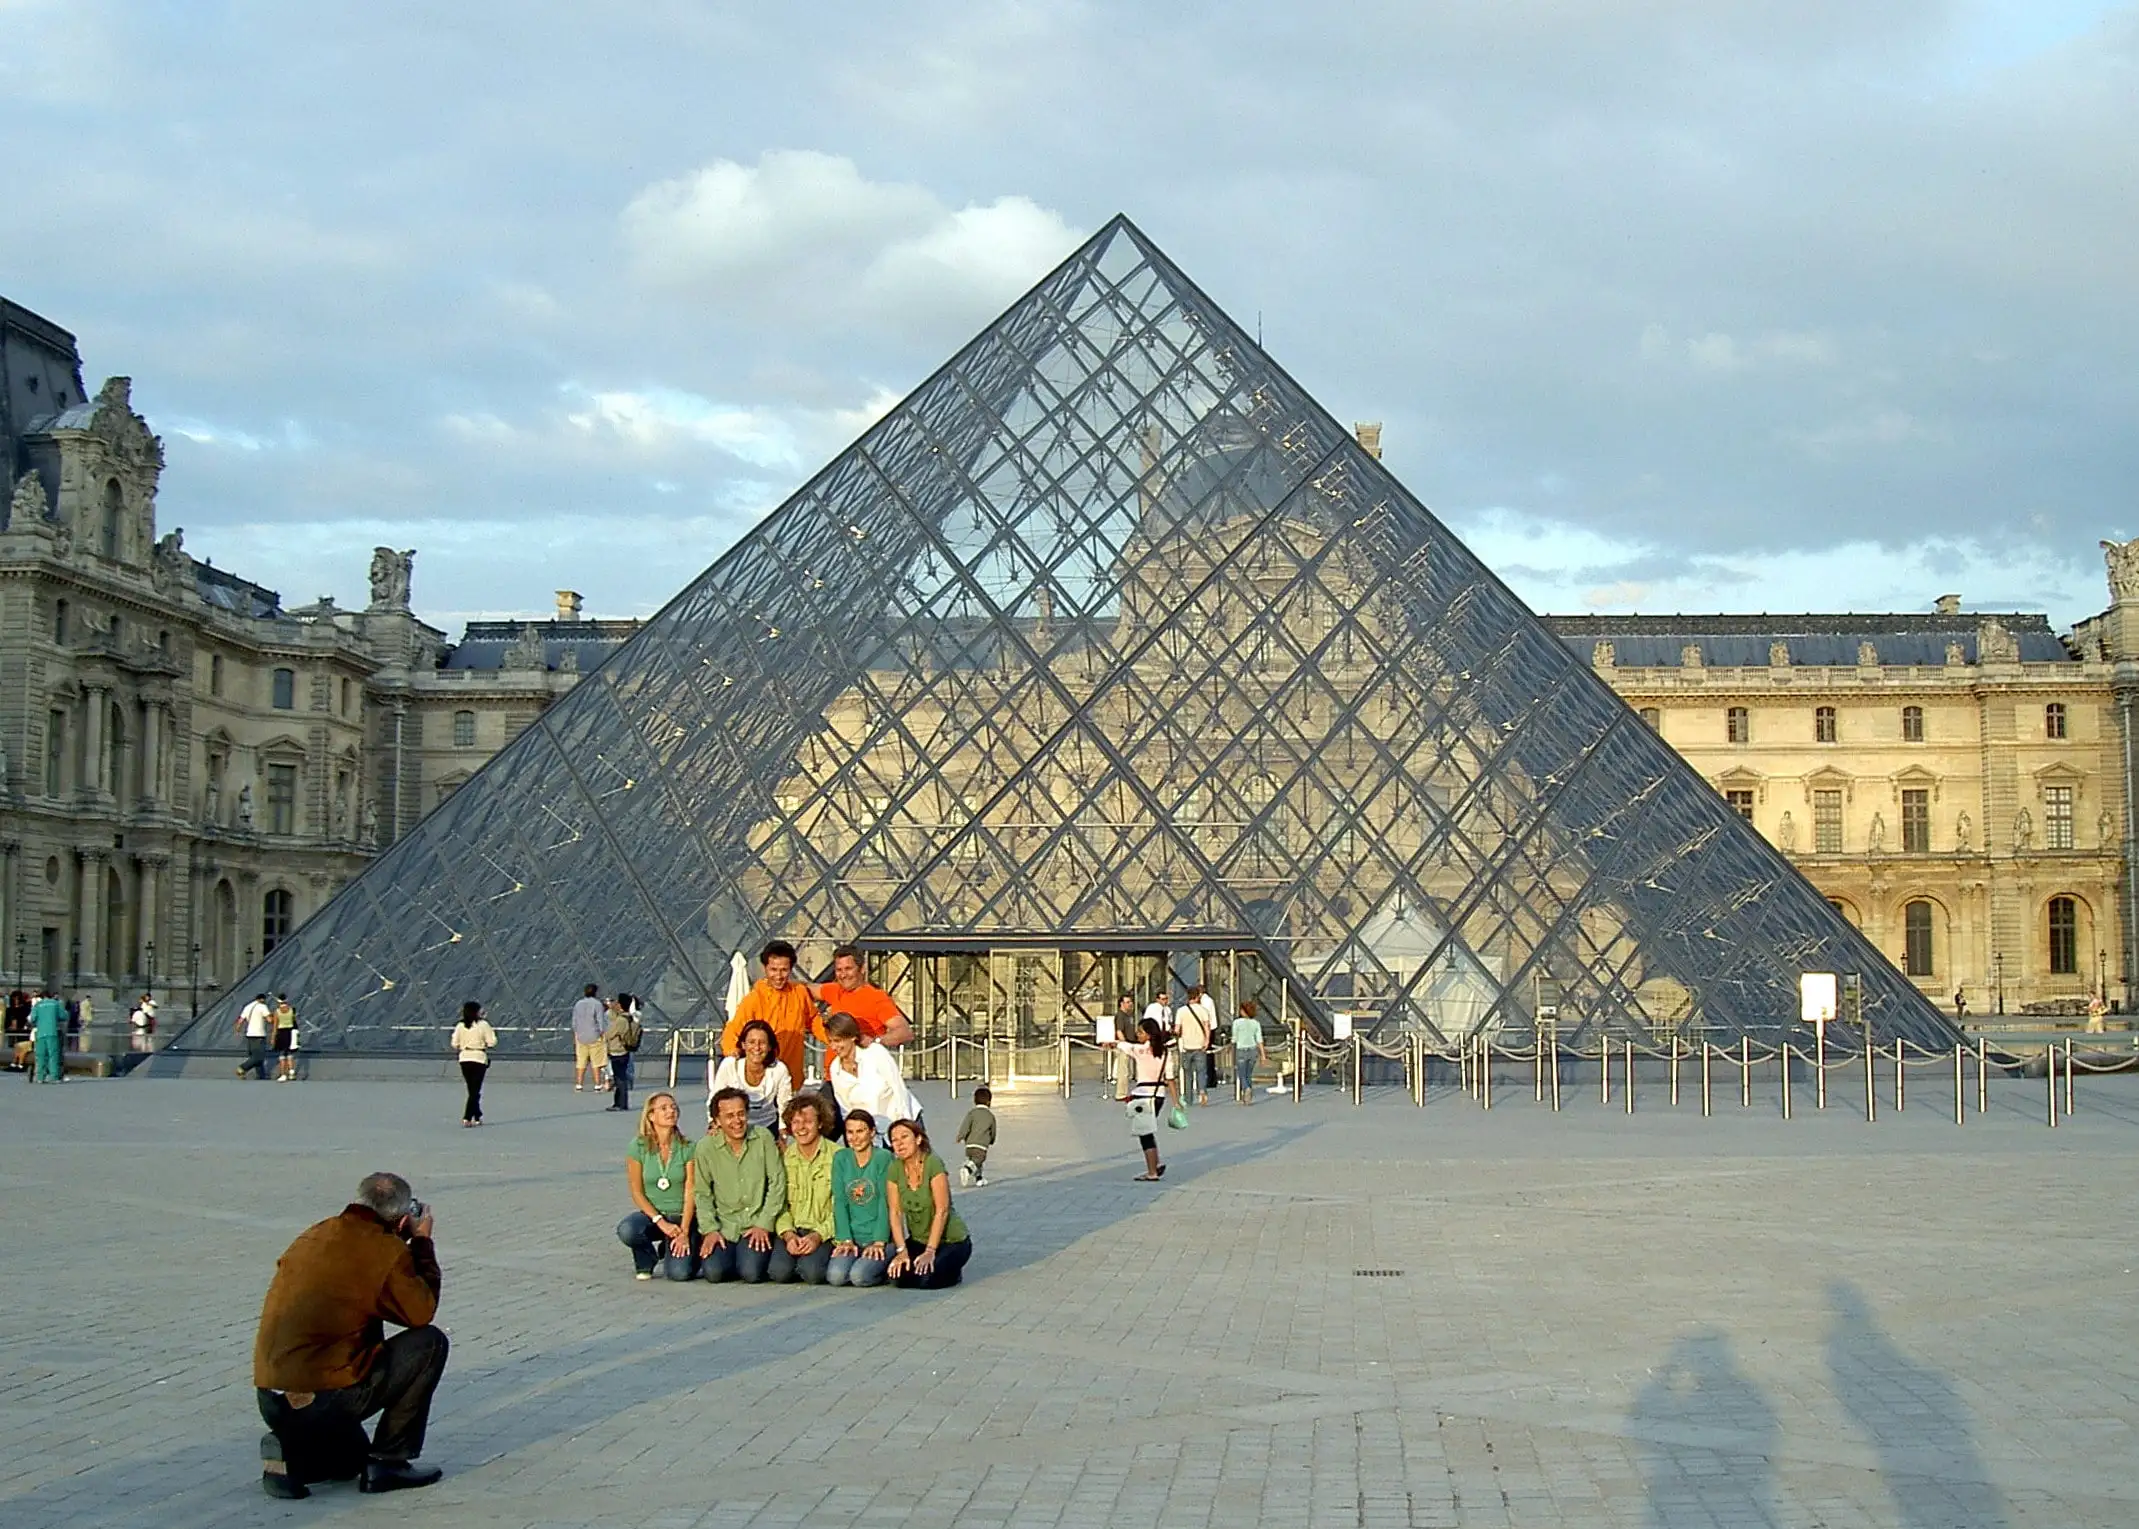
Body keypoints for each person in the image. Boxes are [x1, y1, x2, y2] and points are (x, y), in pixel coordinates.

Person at [253, 1171, 447, 1498]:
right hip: (325, 1397)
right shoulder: (384, 1250)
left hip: (271, 1394)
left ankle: (290, 1451)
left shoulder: (316, 1233)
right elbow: (420, 1312)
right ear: (400, 1220)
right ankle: (388, 1461)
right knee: (430, 1343)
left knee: (347, 1462)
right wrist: (422, 1244)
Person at [687, 1087, 786, 1282]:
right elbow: (702, 1193)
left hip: (756, 1221)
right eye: (729, 1116)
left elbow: (777, 1182)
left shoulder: (763, 1137)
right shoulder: (705, 1148)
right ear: (717, 1121)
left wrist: (764, 1224)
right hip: (725, 1224)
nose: (737, 1121)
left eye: (741, 1114)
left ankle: (750, 1256)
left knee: (751, 1273)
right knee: (714, 1274)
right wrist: (710, 1230)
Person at [885, 1119, 974, 1290]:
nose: (899, 1144)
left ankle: (953, 1272)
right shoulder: (895, 1169)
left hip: (950, 1240)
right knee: (897, 1277)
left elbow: (942, 1210)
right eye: (894, 1140)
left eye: (904, 1137)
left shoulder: (933, 1163)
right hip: (918, 1240)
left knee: (927, 1279)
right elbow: (895, 1212)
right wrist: (901, 1250)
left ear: (918, 1139)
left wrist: (930, 1251)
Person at [617, 1092, 696, 1281]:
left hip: (682, 1217)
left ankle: (677, 1246)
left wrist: (683, 1230)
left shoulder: (688, 1147)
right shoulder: (637, 1147)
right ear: (651, 1116)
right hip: (654, 1217)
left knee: (679, 1274)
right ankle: (647, 1259)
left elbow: (691, 1189)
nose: (671, 1111)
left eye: (673, 1107)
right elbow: (636, 1191)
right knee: (628, 1229)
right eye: (664, 1108)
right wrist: (661, 1222)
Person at [721, 939, 816, 1087]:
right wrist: (732, 1052)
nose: (778, 975)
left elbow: (814, 1021)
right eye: (773, 969)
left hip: (792, 1078)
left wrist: (837, 1038)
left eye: (784, 970)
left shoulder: (800, 993)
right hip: (762, 1079)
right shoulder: (754, 999)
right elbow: (733, 1029)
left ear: (791, 969)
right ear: (765, 968)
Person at [771, 1093, 838, 1284]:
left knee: (812, 1274)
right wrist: (788, 1234)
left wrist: (818, 1235)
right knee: (779, 1273)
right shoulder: (784, 1158)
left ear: (820, 1123)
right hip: (793, 1229)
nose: (801, 1128)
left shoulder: (838, 1157)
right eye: (796, 1122)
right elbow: (779, 1203)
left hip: (823, 1232)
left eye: (808, 1121)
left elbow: (841, 1207)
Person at [822, 1011, 918, 1138]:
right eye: (830, 1041)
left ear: (852, 1037)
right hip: (870, 1133)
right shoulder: (835, 1069)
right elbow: (845, 1107)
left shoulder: (875, 1053)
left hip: (900, 1120)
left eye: (838, 1041)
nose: (834, 1047)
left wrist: (905, 1127)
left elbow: (898, 1089)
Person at [827, 1108, 893, 1287]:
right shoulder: (841, 1158)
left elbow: (885, 1202)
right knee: (836, 1276)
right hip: (853, 1236)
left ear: (871, 1132)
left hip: (879, 1236)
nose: (854, 1138)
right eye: (850, 1132)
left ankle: (887, 1269)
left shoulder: (883, 1158)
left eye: (860, 1131)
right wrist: (845, 1239)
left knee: (859, 1276)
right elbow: (840, 1201)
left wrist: (879, 1241)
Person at [813, 943, 915, 1047]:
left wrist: (875, 1042)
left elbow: (904, 1032)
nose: (843, 975)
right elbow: (805, 988)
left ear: (862, 969)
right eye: (839, 970)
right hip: (835, 1063)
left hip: (861, 1062)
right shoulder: (835, 990)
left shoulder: (876, 997)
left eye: (848, 969)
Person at [1115, 1015, 1177, 1180]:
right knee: (1149, 1130)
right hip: (1159, 1095)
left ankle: (1152, 1172)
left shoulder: (1140, 1051)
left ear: (1149, 1034)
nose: (1138, 1035)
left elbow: (1125, 1046)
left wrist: (1114, 1042)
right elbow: (1170, 1078)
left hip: (1143, 1095)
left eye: (1141, 1032)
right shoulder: (1165, 1053)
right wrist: (1176, 1101)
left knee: (1145, 1134)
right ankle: (1155, 1164)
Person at [708, 1017, 792, 1133]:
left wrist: (783, 1134)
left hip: (768, 1126)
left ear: (769, 1047)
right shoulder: (730, 1065)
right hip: (734, 1126)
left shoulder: (779, 1069)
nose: (757, 1048)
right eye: (752, 1042)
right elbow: (714, 1099)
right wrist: (713, 1125)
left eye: (762, 1043)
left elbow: (785, 1105)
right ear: (743, 1045)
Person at [450, 1001, 498, 1126]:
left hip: (464, 1058)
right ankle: (467, 1117)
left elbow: (454, 1044)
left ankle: (477, 1115)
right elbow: (492, 1042)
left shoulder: (460, 1026)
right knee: (475, 1090)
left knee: (472, 1089)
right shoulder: (483, 1025)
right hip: (479, 1058)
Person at [1174, 986, 1214, 1108]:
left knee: (1188, 1073)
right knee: (1201, 1071)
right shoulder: (1203, 1011)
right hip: (1200, 1045)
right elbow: (1207, 1027)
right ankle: (1202, 1092)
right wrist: (1207, 1040)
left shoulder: (1181, 1011)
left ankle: (1188, 1097)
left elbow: (1177, 1029)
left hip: (1187, 1045)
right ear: (1198, 997)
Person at [603, 993, 642, 1112]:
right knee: (621, 1077)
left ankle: (620, 1103)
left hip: (617, 1051)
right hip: (625, 1050)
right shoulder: (630, 1017)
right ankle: (620, 1103)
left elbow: (609, 1034)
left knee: (619, 1078)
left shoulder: (620, 1020)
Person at [955, 1086, 997, 1187]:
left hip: (969, 1145)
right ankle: (967, 1169)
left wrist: (960, 1136)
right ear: (989, 1102)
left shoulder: (971, 1113)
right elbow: (993, 1131)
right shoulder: (990, 1116)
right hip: (981, 1145)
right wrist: (991, 1140)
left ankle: (979, 1179)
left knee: (976, 1162)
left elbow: (965, 1125)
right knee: (978, 1160)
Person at [570, 983, 608, 1092]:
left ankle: (579, 1084)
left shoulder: (578, 1004)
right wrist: (602, 1032)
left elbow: (574, 1022)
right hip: (594, 1035)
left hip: (581, 1036)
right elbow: (600, 1021)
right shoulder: (597, 1004)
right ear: (595, 992)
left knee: (581, 1061)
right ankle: (597, 1084)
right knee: (596, 1061)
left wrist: (576, 1033)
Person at [1232, 999, 1266, 1105]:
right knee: (1248, 1074)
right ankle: (1248, 1096)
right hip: (1252, 1050)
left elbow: (1234, 1038)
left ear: (1243, 1011)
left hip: (1241, 1049)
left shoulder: (1237, 1023)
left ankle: (1246, 1089)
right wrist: (1263, 1055)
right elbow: (1259, 1040)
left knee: (1241, 1074)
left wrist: (1231, 1048)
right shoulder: (1256, 1023)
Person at [28, 986, 65, 1083]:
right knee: (53, 1055)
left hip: (40, 1033)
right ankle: (53, 1077)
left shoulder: (38, 1005)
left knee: (40, 1055)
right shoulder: (55, 1004)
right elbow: (63, 1016)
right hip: (52, 1031)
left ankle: (40, 1077)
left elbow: (32, 1019)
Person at [235, 992, 273, 1079]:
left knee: (255, 1056)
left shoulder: (248, 1006)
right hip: (259, 1034)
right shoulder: (262, 1006)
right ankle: (242, 1068)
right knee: (259, 1057)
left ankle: (261, 1076)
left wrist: (237, 1029)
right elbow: (269, 1020)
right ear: (262, 999)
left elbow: (240, 1020)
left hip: (249, 1035)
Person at [272, 992, 300, 1082]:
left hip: (281, 1033)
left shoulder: (277, 1012)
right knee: (290, 1054)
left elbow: (275, 1025)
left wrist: (273, 1037)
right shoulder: (292, 1010)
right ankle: (291, 1072)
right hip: (290, 1032)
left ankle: (283, 1074)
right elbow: (295, 1022)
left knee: (282, 1055)